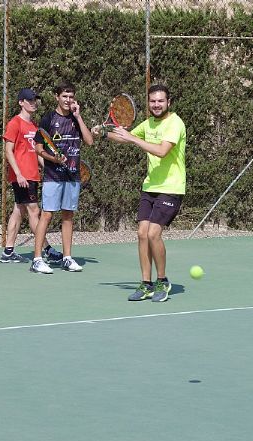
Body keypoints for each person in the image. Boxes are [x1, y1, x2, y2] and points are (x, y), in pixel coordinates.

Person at [92, 84, 186, 302]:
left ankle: (162, 280)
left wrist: (133, 138)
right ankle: (146, 284)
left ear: (168, 102)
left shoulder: (175, 123)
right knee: (142, 233)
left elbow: (162, 151)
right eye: (153, 101)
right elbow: (125, 137)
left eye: (160, 101)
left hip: (171, 188)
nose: (156, 104)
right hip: (150, 187)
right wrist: (103, 133)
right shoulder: (149, 123)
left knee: (154, 233)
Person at [31, 81, 94, 274]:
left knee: (68, 215)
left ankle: (67, 258)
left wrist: (79, 116)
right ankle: (37, 259)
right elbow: (38, 148)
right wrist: (54, 159)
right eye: (64, 96)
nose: (68, 100)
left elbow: (90, 141)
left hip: (73, 176)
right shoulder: (48, 119)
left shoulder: (76, 119)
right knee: (47, 215)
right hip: (52, 176)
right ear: (57, 97)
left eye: (71, 97)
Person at [1, 88, 63, 264]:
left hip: (32, 175)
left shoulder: (34, 126)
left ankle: (8, 251)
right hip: (22, 176)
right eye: (29, 100)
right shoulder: (15, 123)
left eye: (35, 100)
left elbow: (36, 154)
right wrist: (18, 174)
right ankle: (47, 249)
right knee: (34, 210)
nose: (33, 103)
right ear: (21, 102)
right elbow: (8, 151)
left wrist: (51, 168)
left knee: (19, 210)